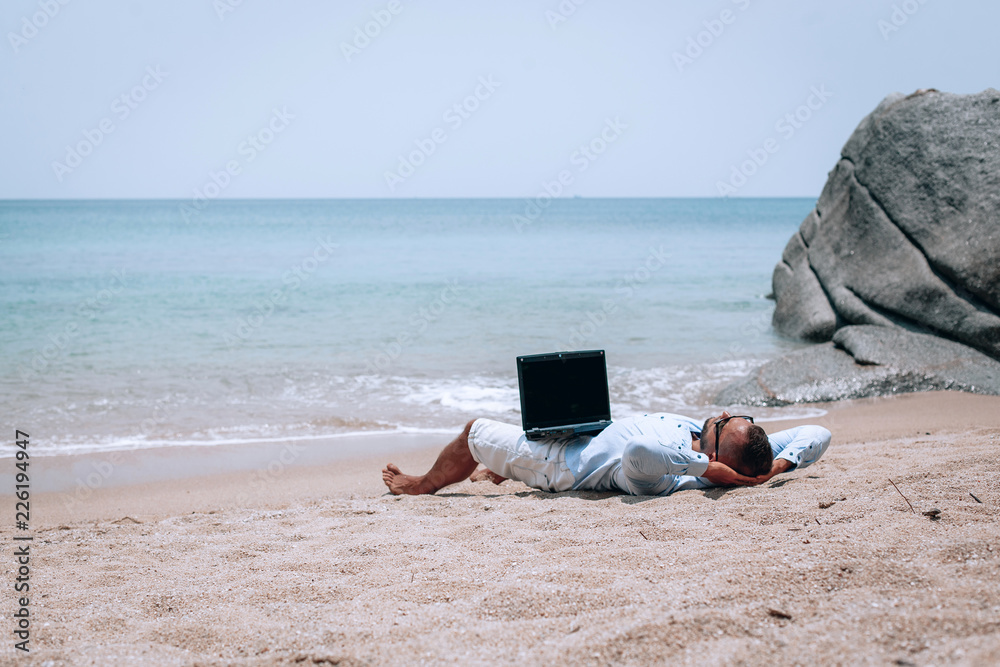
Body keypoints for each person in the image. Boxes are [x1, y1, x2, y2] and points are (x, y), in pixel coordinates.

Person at [381, 411, 831, 496]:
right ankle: (499, 471)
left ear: (715, 455)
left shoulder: (670, 474)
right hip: (582, 433)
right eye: (733, 416)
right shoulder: (720, 445)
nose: (718, 414)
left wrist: (707, 470)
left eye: (718, 423)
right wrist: (772, 468)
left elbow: (638, 450)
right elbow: (819, 431)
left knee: (473, 431)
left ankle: (423, 485)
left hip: (556, 464)